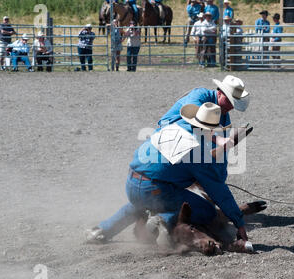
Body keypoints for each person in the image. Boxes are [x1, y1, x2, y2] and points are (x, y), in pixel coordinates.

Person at [86, 75, 252, 246]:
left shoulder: (171, 127)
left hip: (132, 182)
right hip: (155, 190)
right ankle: (162, 219)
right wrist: (239, 222)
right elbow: (217, 189)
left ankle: (102, 229)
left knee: (141, 201)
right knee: (207, 210)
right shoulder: (199, 152)